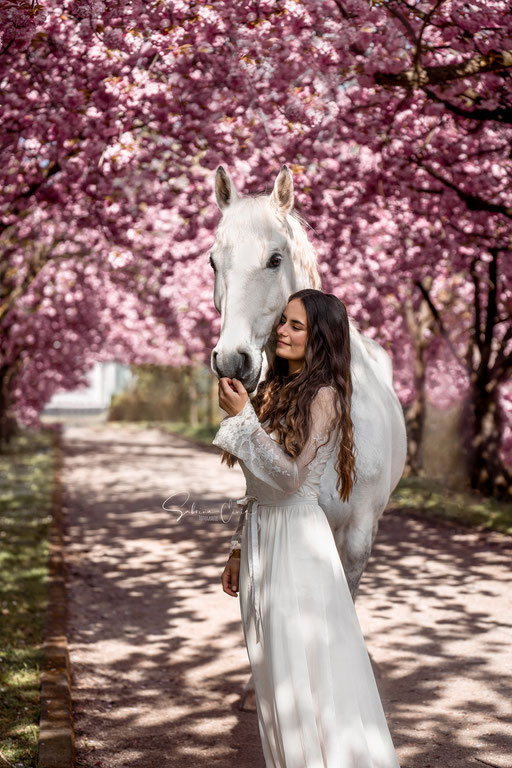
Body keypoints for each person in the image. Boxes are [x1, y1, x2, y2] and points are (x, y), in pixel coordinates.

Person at [212, 288, 401, 768]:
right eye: (283, 322)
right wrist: (237, 548)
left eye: (297, 326)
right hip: (262, 538)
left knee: (303, 667)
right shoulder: (274, 390)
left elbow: (293, 477)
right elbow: (258, 483)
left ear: (320, 338)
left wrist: (244, 422)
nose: (283, 331)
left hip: (298, 542)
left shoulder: (326, 397)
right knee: (273, 667)